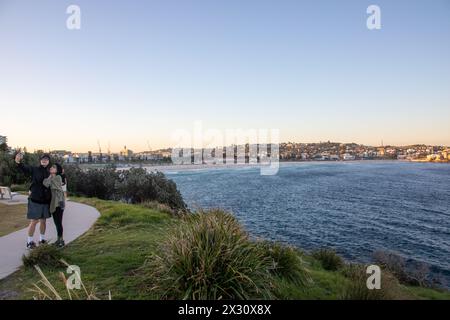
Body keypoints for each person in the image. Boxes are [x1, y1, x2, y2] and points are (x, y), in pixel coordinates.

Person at [15, 153, 52, 249]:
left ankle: (42, 240)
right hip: (35, 199)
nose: (44, 160)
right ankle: (29, 242)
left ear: (48, 161)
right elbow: (24, 168)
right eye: (43, 159)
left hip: (45, 201)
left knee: (43, 221)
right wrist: (18, 162)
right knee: (34, 221)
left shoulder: (50, 172)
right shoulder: (35, 169)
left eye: (46, 159)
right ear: (40, 160)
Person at [43, 165, 66, 247]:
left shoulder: (59, 177)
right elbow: (45, 184)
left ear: (57, 170)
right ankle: (58, 240)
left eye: (54, 167)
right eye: (51, 167)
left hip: (59, 202)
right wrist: (50, 176)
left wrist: (50, 178)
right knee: (56, 223)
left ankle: (61, 241)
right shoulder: (51, 177)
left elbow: (52, 185)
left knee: (59, 222)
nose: (51, 168)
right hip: (53, 202)